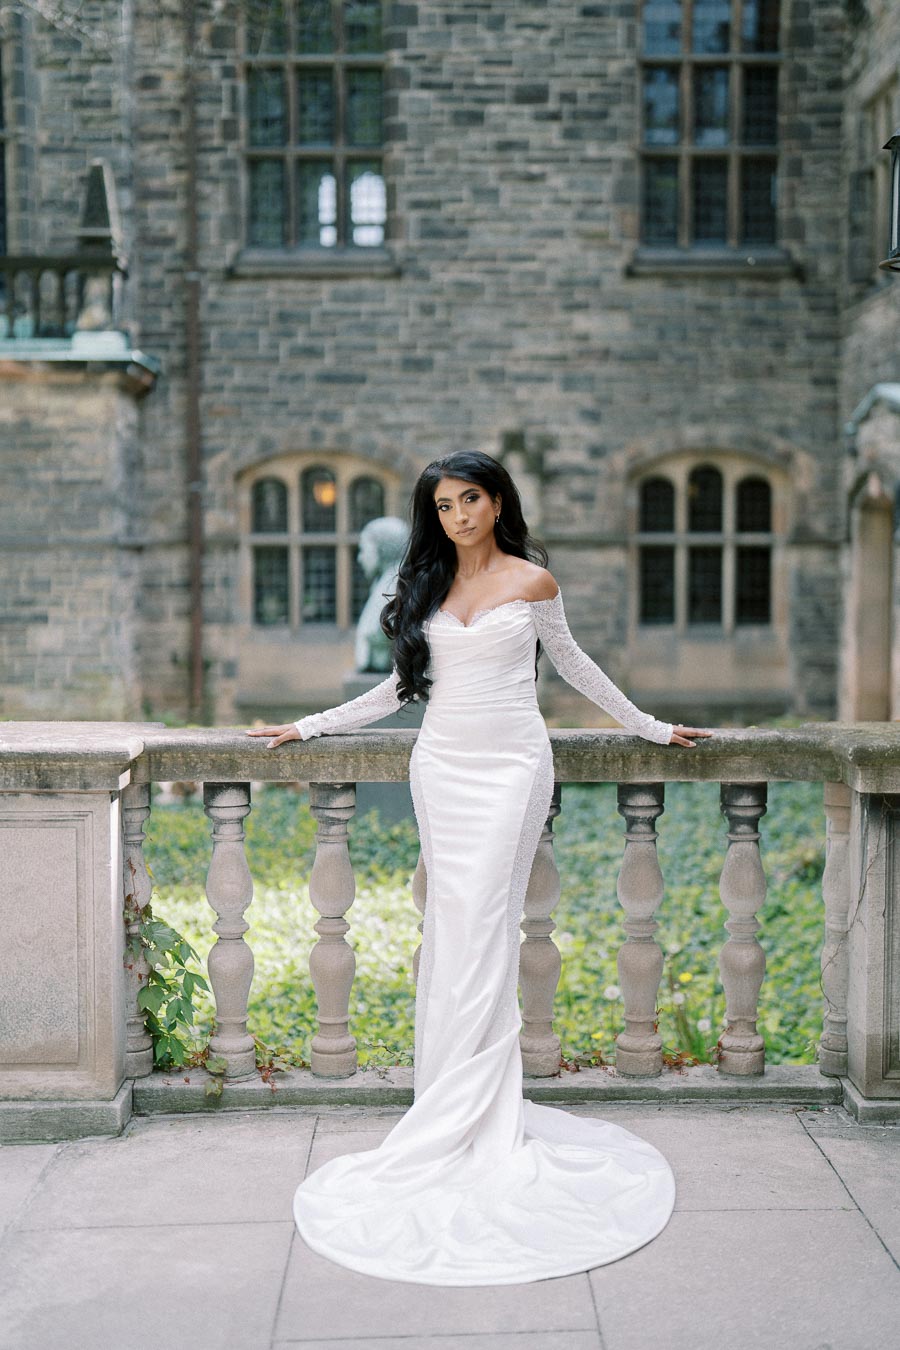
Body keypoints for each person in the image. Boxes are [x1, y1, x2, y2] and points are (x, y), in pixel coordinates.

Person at [247, 450, 713, 1286]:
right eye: (444, 504)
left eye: (471, 498)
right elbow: (395, 691)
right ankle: (448, 1107)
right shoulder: (422, 586)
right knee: (451, 925)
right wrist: (309, 724)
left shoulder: (533, 582)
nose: (458, 514)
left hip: (511, 768)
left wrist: (647, 726)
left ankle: (481, 1115)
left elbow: (573, 665)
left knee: (488, 926)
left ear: (497, 502)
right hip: (443, 766)